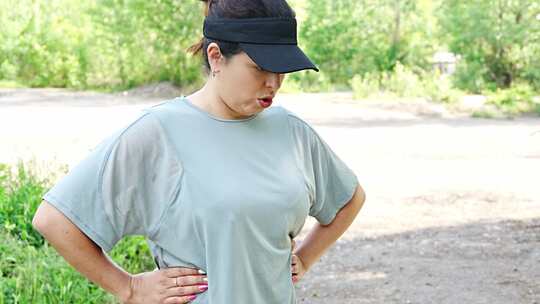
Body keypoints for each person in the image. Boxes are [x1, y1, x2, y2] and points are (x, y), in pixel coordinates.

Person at [31, 0, 366, 303]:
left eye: (282, 70)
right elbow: (54, 219)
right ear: (216, 57)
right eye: (261, 68)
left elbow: (349, 199)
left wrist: (305, 258)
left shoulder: (291, 130)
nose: (274, 83)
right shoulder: (158, 131)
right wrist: (129, 287)